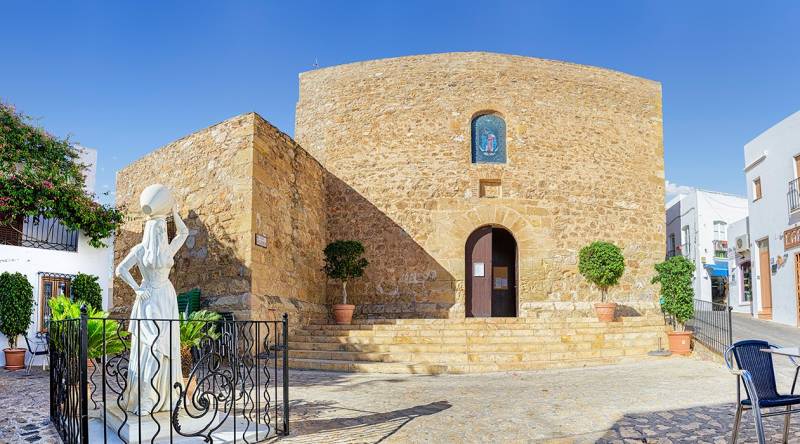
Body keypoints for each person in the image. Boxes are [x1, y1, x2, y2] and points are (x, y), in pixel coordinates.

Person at [115, 201, 188, 415]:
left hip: (165, 297)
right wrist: (137, 289)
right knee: (151, 347)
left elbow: (183, 232)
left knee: (165, 347)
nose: (162, 231)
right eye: (160, 228)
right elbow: (121, 269)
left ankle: (167, 396)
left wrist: (173, 212)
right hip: (149, 299)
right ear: (151, 230)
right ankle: (146, 399)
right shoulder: (140, 250)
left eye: (163, 229)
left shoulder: (167, 251)